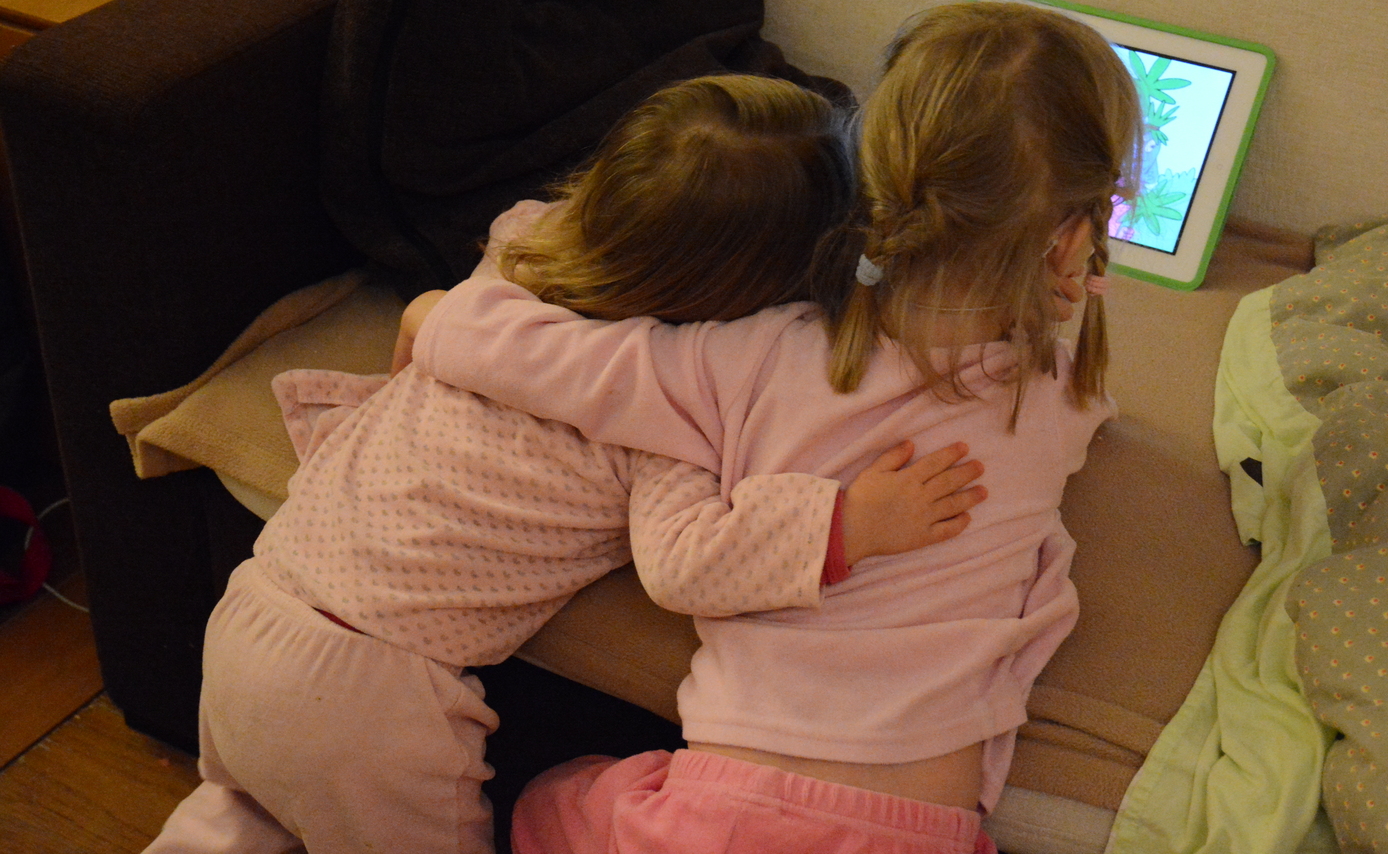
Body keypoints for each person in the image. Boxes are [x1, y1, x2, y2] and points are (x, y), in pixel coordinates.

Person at [142, 76, 988, 854]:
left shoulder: (521, 247)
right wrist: (849, 525)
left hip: (255, 608)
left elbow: (427, 322)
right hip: (371, 693)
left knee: (248, 804)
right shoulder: (660, 411)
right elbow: (689, 563)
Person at [405, 1, 1143, 854]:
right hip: (926, 831)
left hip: (728, 818)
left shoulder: (751, 351)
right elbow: (1077, 385)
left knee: (546, 803)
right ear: (1073, 241)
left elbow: (538, 359)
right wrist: (1051, 291)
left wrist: (431, 316)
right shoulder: (1060, 398)